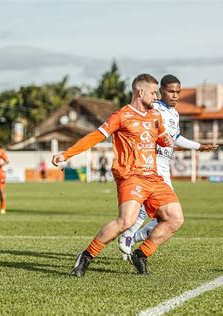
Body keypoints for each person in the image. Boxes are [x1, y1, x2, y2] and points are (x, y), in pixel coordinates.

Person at [52, 74, 181, 277]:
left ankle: (141, 254)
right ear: (140, 92)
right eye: (153, 92)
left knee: (175, 218)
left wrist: (170, 139)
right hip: (132, 176)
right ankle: (86, 256)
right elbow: (95, 136)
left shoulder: (155, 116)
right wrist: (66, 154)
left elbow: (163, 139)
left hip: (154, 178)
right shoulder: (121, 116)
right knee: (126, 222)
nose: (156, 96)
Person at [118, 74, 218, 259]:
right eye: (171, 91)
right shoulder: (152, 107)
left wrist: (199, 146)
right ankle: (129, 235)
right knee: (160, 209)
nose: (175, 96)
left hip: (165, 165)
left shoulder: (174, 113)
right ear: (161, 91)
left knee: (167, 215)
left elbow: (175, 138)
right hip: (151, 162)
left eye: (178, 92)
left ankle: (133, 236)